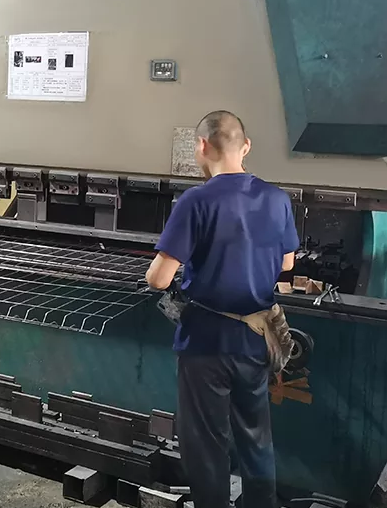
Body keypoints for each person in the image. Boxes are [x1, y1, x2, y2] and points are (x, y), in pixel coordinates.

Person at [145, 111, 299, 508]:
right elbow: (286, 263)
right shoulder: (277, 198)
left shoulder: (196, 201)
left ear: (201, 146)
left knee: (207, 443)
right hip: (257, 339)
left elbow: (159, 280)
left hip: (206, 344)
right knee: (256, 437)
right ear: (246, 147)